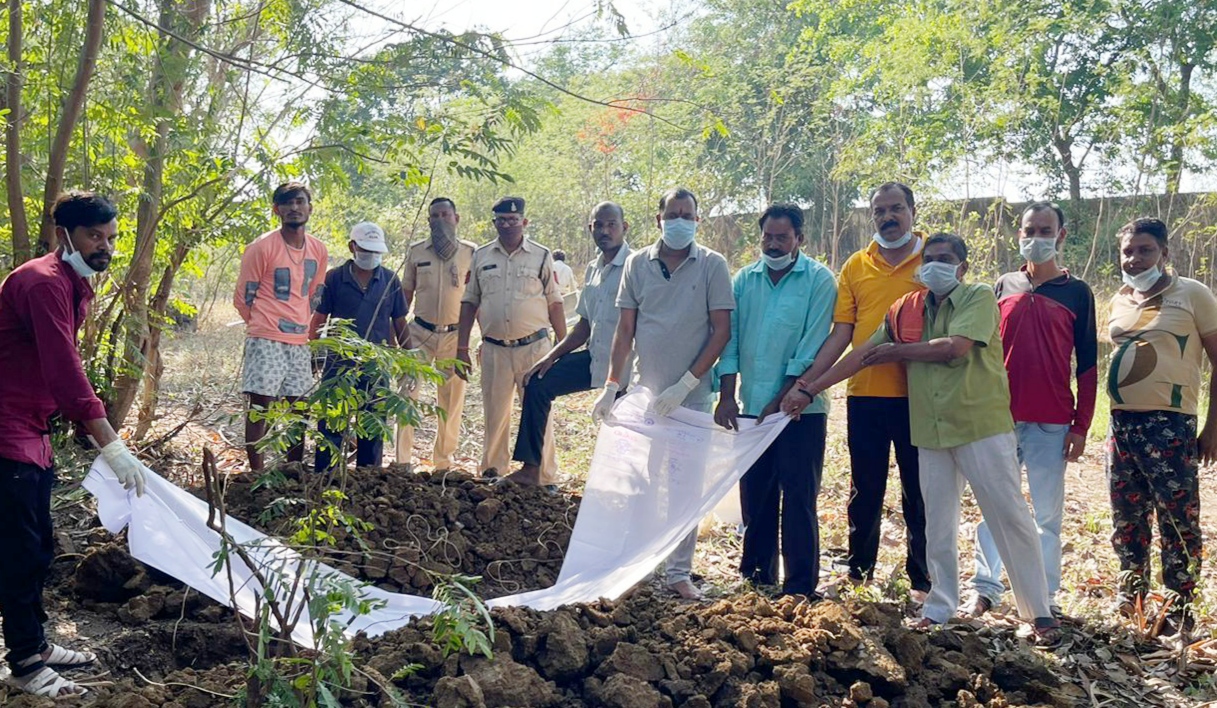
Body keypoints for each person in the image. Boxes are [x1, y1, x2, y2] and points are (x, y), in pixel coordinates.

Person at [787, 233, 1058, 641]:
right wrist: (810, 388)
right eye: (929, 258)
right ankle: (939, 604)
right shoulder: (906, 309)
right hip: (930, 430)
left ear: (962, 267)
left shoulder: (977, 297)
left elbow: (954, 347)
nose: (934, 265)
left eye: (945, 258)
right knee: (937, 521)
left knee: (1009, 515)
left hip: (979, 426)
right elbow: (862, 355)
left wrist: (897, 352)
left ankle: (1038, 612)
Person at [0, 191, 150, 697]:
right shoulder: (43, 282)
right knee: (20, 549)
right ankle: (25, 663)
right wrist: (110, 444)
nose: (105, 247)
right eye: (94, 236)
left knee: (39, 542)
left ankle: (36, 643)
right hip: (7, 427)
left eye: (111, 237)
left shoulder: (69, 281)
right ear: (63, 235)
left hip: (31, 426)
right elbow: (64, 369)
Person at [593, 186, 735, 600]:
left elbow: (721, 330)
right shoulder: (637, 264)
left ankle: (678, 571)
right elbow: (625, 331)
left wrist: (687, 383)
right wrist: (612, 386)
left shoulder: (712, 265)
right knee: (643, 481)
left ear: (697, 221)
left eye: (687, 215)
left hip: (693, 398)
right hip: (647, 396)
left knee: (684, 488)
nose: (679, 222)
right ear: (659, 220)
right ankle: (637, 562)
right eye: (673, 215)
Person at [792, 182, 930, 601]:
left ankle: (923, 580)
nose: (888, 218)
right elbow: (842, 333)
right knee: (865, 489)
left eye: (896, 209)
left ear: (912, 210)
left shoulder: (934, 258)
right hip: (865, 393)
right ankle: (859, 573)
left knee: (919, 490)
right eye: (879, 211)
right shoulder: (856, 265)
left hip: (921, 394)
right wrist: (809, 384)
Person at [966, 203, 1097, 618]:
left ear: (1061, 235)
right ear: (1018, 233)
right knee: (993, 505)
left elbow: (1088, 364)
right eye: (1029, 230)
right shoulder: (1002, 286)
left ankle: (1044, 596)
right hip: (999, 418)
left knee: (1046, 516)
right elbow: (983, 353)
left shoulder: (1077, 292)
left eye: (1045, 230)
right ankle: (985, 588)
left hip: (1051, 421)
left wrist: (1081, 425)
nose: (1036, 238)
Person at [714, 203, 836, 598]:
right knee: (756, 494)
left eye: (782, 237)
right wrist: (727, 395)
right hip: (751, 409)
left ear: (800, 238)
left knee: (799, 496)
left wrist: (782, 399)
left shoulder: (819, 281)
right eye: (768, 236)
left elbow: (812, 347)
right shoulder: (744, 280)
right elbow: (729, 339)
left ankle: (799, 586)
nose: (773, 244)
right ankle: (756, 578)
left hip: (801, 409)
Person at [1106, 217, 1217, 634]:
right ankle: (1132, 594)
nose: (1134, 259)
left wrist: (1213, 427)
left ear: (1165, 253)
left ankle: (1179, 606)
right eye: (1128, 251)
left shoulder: (1192, 294)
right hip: (1120, 423)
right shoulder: (1119, 300)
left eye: (1145, 250)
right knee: (1127, 516)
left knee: (1177, 517)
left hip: (1169, 425)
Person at [508, 202, 633, 488]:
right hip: (595, 358)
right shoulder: (593, 269)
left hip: (627, 366)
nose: (604, 231)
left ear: (624, 227)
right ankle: (530, 469)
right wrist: (551, 357)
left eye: (611, 224)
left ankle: (622, 487)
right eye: (598, 225)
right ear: (590, 228)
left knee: (624, 429)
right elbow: (584, 325)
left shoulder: (636, 266)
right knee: (538, 382)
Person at [457, 197, 566, 480]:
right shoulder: (481, 256)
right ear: (494, 223)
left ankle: (544, 476)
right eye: (501, 220)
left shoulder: (541, 255)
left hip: (535, 349)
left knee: (539, 414)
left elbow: (555, 303)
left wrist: (562, 346)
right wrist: (461, 347)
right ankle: (493, 471)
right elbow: (469, 302)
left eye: (513, 220)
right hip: (495, 349)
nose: (507, 225)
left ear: (524, 222)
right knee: (495, 414)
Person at [234, 181, 329, 471]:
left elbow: (314, 294)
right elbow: (243, 297)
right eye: (287, 203)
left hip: (299, 340)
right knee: (260, 406)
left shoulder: (318, 249)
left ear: (310, 208)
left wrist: (304, 330)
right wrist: (263, 325)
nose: (294, 208)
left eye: (300, 201)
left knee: (299, 407)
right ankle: (257, 474)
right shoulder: (261, 247)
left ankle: (293, 470)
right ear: (277, 210)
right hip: (266, 337)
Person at [308, 222, 409, 473]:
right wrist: (313, 354)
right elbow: (319, 318)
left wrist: (408, 361)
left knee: (373, 422)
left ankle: (368, 477)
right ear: (352, 247)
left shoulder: (390, 280)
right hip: (338, 363)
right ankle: (326, 476)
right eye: (366, 250)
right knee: (332, 422)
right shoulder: (333, 278)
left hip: (376, 364)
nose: (371, 255)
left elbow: (399, 322)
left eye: (376, 251)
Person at [396, 198, 476, 473]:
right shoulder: (417, 251)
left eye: (446, 214)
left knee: (452, 400)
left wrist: (474, 342)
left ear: (456, 218)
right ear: (429, 220)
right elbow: (405, 295)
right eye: (435, 216)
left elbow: (477, 298)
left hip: (455, 336)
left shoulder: (471, 253)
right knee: (407, 393)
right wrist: (398, 336)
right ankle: (402, 461)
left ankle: (443, 462)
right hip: (420, 333)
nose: (441, 220)